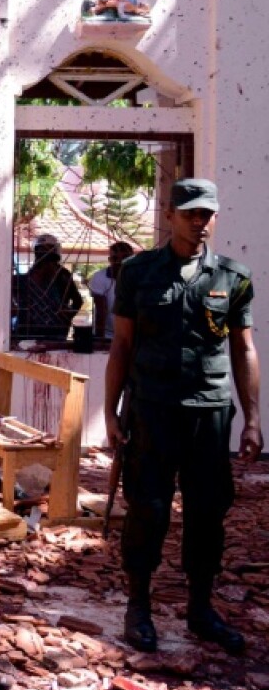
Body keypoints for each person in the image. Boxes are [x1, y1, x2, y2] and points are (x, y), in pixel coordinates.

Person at [106, 179, 261, 655]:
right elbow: (123, 347)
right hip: (152, 410)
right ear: (169, 215)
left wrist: (253, 418)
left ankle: (200, 609)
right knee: (148, 509)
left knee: (207, 513)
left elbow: (244, 350)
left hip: (209, 413)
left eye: (207, 213)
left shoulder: (233, 277)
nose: (200, 222)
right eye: (190, 213)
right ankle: (139, 608)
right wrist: (110, 413)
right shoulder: (137, 273)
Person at [12, 234, 84, 341]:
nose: (45, 253)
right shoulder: (24, 278)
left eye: (48, 249)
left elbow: (78, 301)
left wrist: (67, 316)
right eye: (41, 249)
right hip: (28, 330)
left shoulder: (63, 275)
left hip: (55, 331)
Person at [89, 241, 135, 339]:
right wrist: (100, 339)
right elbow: (101, 311)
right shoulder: (100, 277)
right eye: (115, 258)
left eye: (125, 258)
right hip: (107, 334)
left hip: (134, 334)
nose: (120, 262)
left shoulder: (140, 277)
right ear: (110, 260)